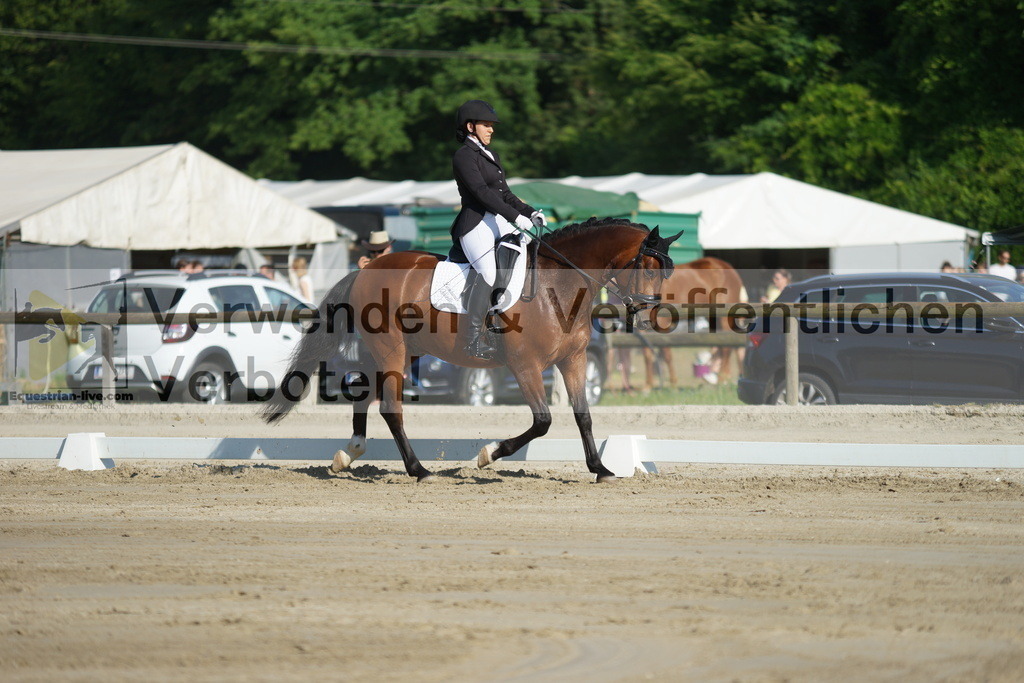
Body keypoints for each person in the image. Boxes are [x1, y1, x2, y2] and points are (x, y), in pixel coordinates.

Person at [450, 99, 546, 360]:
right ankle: (472, 339)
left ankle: (505, 322)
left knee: (525, 258)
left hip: (497, 220)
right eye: (486, 125)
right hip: (476, 223)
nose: (491, 130)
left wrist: (530, 212)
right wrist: (515, 217)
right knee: (489, 273)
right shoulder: (464, 156)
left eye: (492, 125)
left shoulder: (490, 155)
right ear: (470, 126)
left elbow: (505, 194)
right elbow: (481, 193)